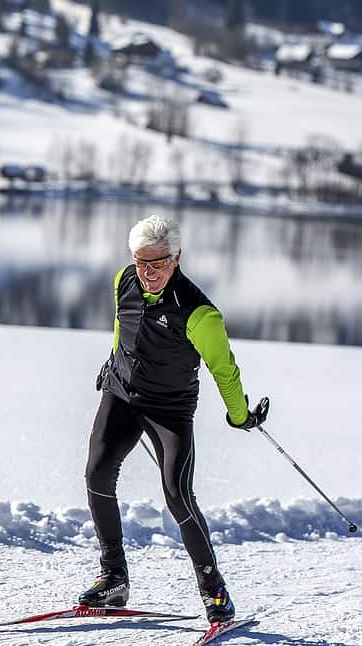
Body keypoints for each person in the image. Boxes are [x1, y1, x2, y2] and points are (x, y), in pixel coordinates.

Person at [80, 214, 268, 624]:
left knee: (177, 493)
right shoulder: (123, 280)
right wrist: (112, 363)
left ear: (177, 258)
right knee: (97, 474)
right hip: (122, 395)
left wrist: (240, 417)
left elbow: (225, 369)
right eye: (140, 262)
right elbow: (122, 327)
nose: (147, 273)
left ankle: (213, 589)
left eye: (158, 263)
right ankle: (114, 577)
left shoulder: (200, 314)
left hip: (170, 409)